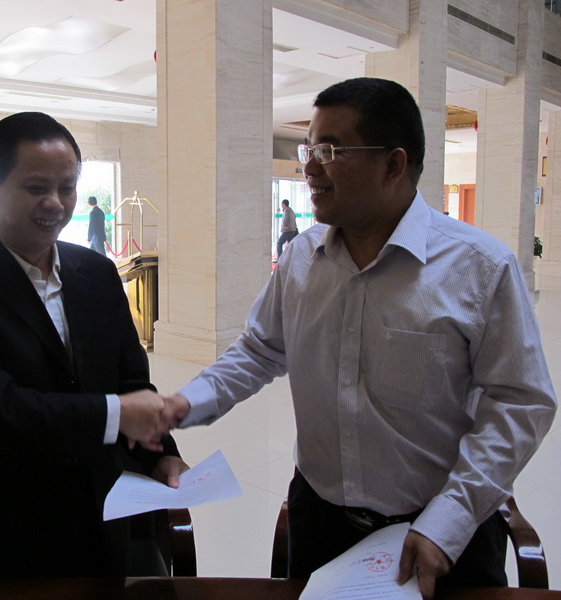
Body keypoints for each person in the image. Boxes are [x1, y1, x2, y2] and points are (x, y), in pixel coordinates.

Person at [166, 78, 556, 599]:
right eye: (309, 149)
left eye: (329, 150)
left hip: (438, 534)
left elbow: (521, 401)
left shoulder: (481, 268)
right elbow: (259, 350)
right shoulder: (302, 258)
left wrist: (451, 517)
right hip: (321, 520)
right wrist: (181, 404)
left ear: (393, 165)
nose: (309, 167)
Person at [0, 112, 186, 577]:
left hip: (101, 513)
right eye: (36, 187)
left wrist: (160, 454)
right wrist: (116, 413)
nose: (55, 204)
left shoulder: (96, 272)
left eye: (67, 188)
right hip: (3, 526)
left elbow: (129, 380)